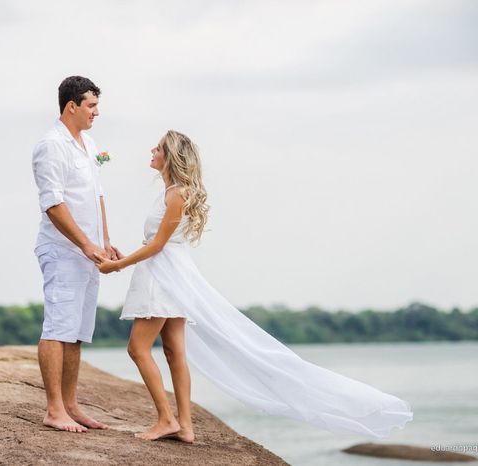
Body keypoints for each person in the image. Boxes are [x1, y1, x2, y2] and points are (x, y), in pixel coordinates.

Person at [95, 130, 413, 443]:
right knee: (174, 350)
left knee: (138, 348)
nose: (152, 150)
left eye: (159, 147)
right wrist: (129, 255)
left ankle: (167, 419)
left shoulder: (176, 193)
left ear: (172, 157)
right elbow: (157, 243)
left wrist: (117, 266)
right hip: (171, 272)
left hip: (162, 277)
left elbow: (159, 245)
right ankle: (186, 426)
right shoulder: (173, 192)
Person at [31, 76, 121, 433]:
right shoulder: (50, 145)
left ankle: (70, 404)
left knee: (78, 331)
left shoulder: (89, 142)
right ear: (72, 106)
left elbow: (97, 195)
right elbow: (52, 203)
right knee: (58, 327)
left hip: (91, 253)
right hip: (63, 251)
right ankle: (53, 409)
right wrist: (84, 244)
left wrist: (105, 240)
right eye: (92, 106)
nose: (97, 113)